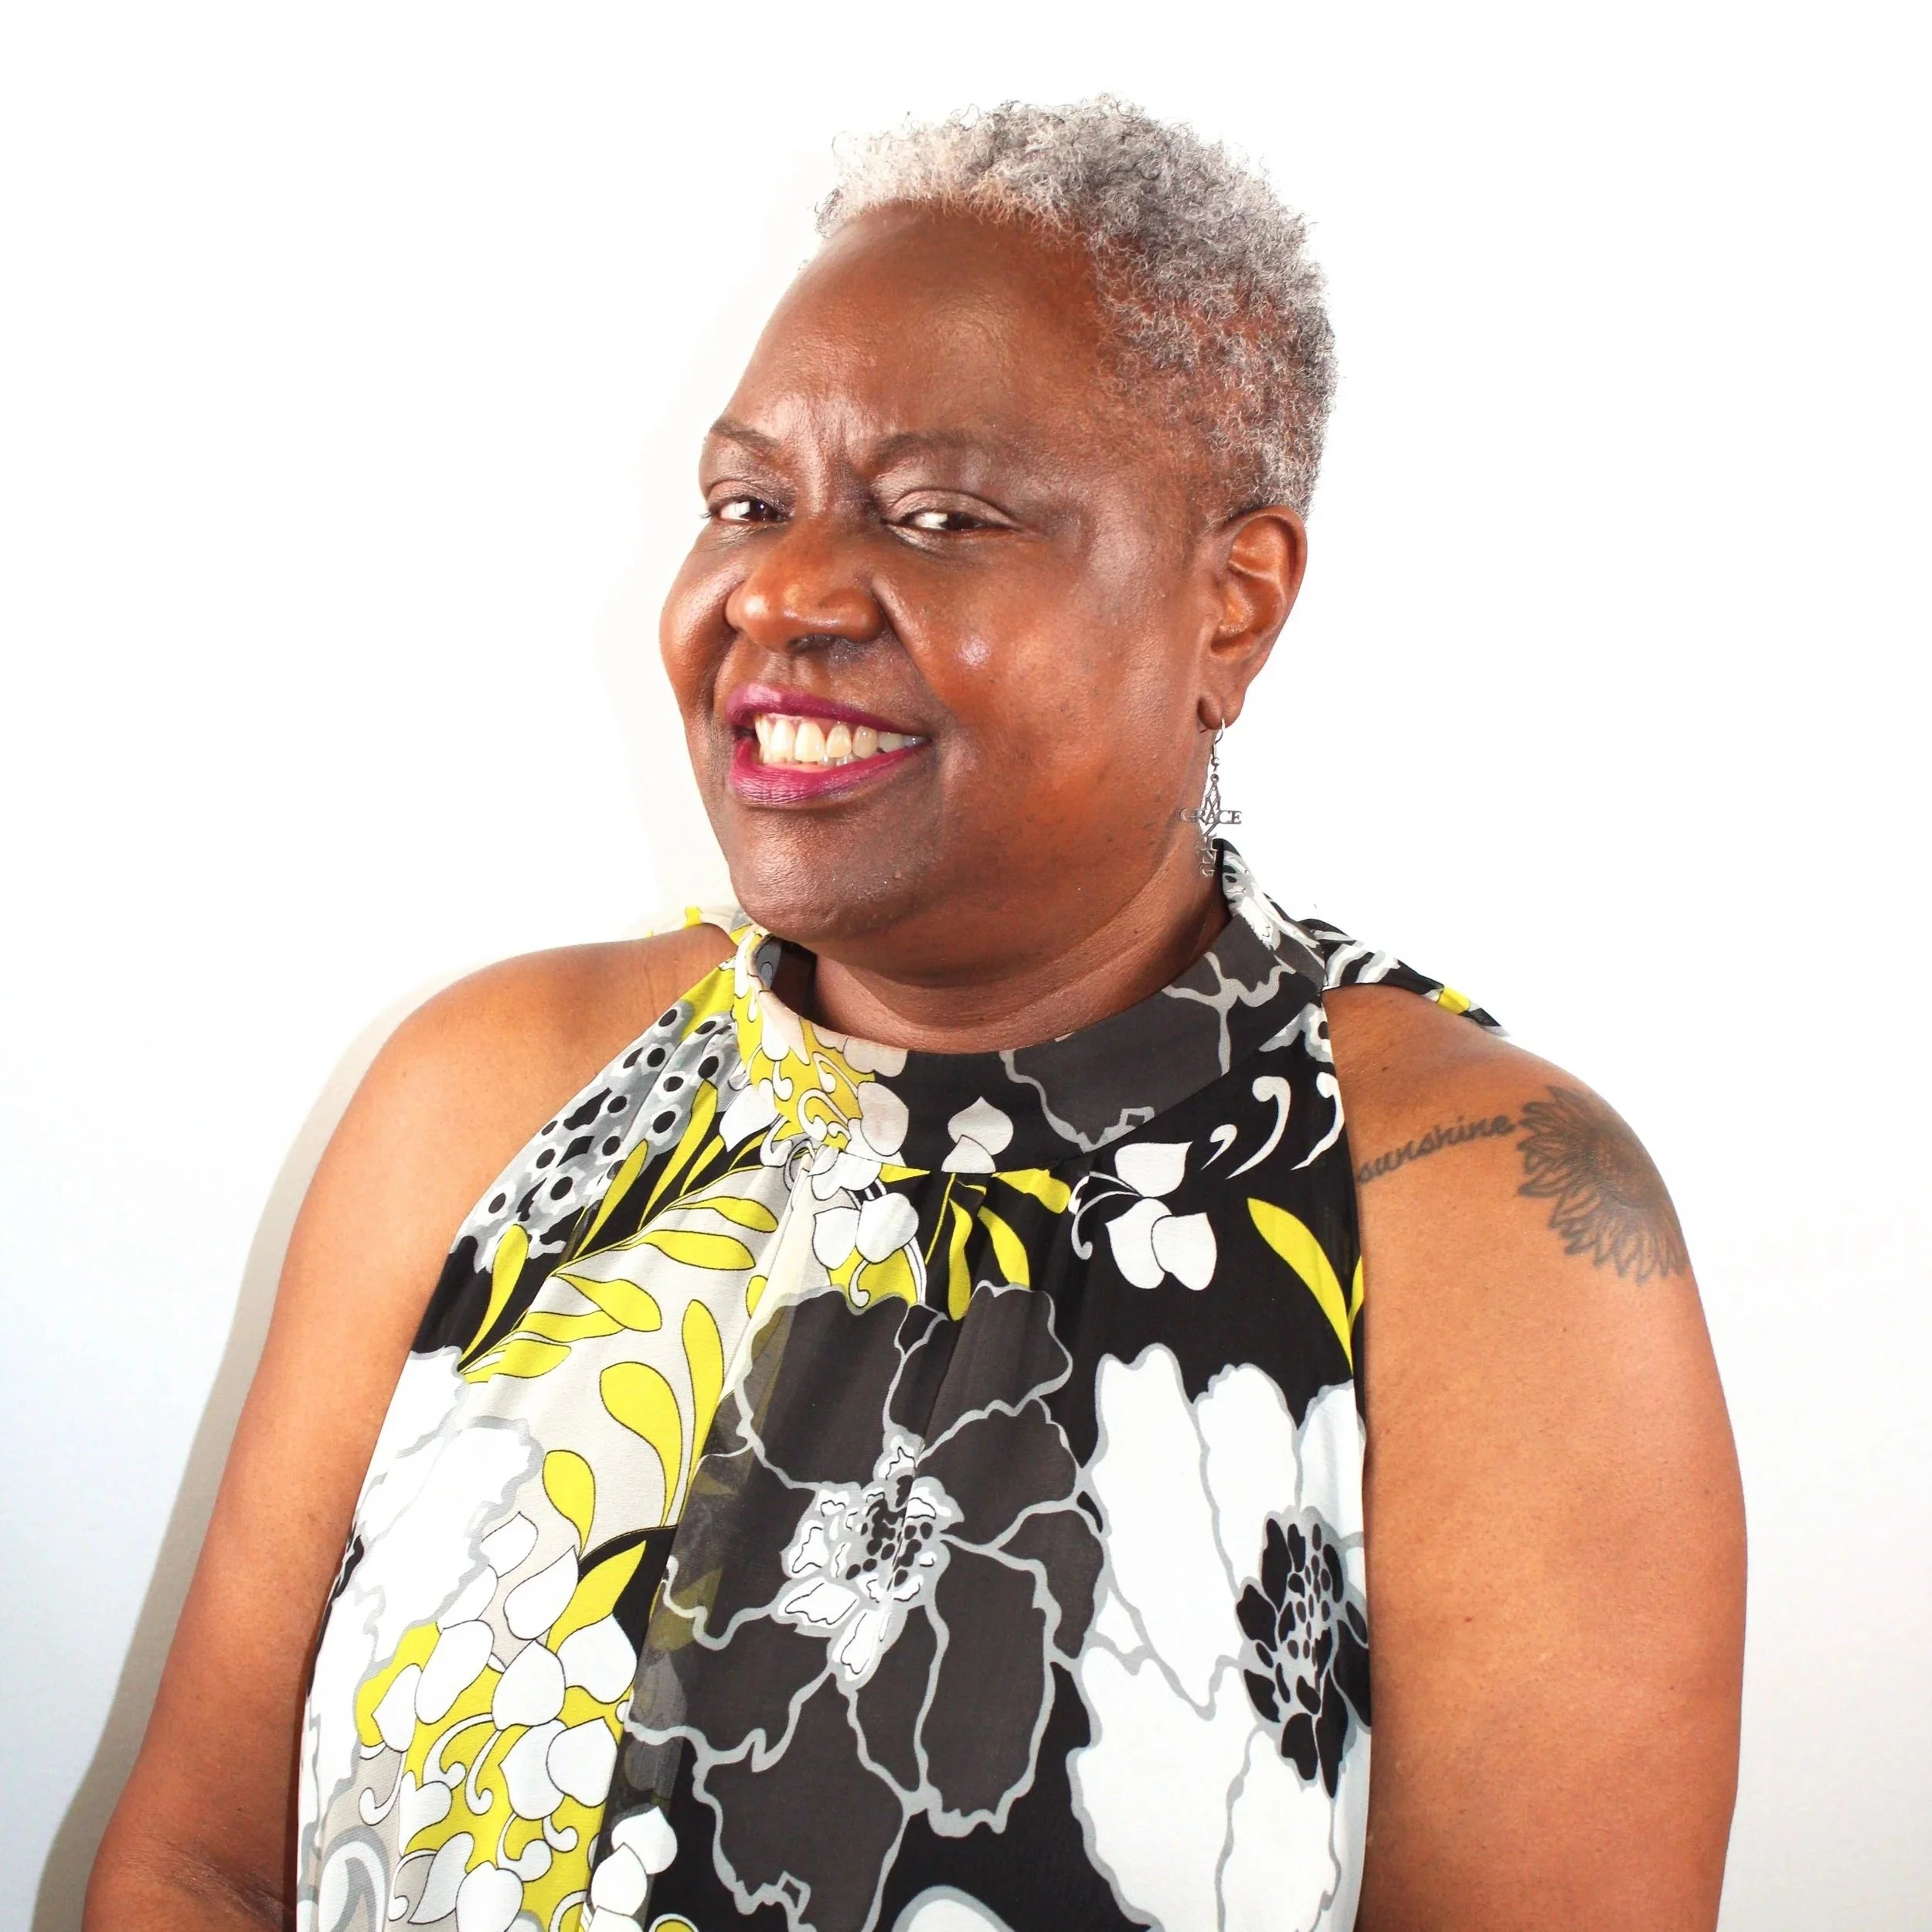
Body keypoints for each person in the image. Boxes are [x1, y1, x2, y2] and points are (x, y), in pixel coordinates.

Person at [86, 99, 1744, 1932]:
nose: (777, 591)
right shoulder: (482, 1096)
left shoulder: (1477, 1218)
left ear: (1231, 602)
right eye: (745, 503)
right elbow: (202, 1865)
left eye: (938, 513)